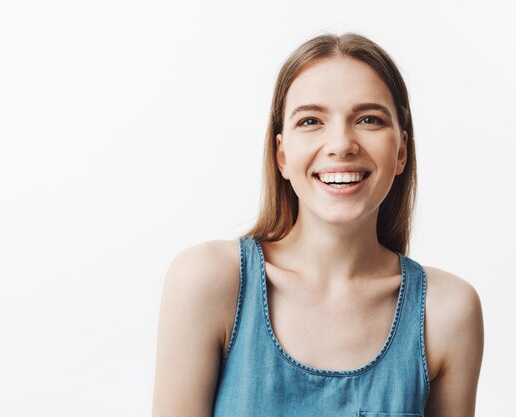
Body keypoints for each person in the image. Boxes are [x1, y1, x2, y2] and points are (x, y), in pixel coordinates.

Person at [152, 32, 484, 417]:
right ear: (281, 154)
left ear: (401, 151)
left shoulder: (446, 312)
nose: (341, 144)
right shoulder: (206, 282)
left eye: (369, 119)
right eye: (311, 120)